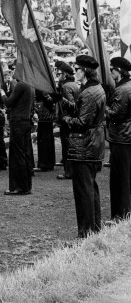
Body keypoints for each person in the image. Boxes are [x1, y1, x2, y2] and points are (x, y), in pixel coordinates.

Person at [62, 55, 106, 238]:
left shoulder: (88, 93)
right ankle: (94, 229)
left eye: (77, 69)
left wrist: (66, 119)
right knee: (90, 188)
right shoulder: (95, 89)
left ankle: (86, 232)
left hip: (85, 145)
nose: (75, 72)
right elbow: (85, 112)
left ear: (85, 71)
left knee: (83, 191)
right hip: (92, 144)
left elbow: (82, 122)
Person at [106, 57, 131, 222]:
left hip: (121, 136)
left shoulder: (122, 90)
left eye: (112, 70)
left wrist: (104, 108)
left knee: (119, 179)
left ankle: (120, 216)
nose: (111, 73)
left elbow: (116, 114)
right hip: (127, 135)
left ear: (119, 71)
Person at [1, 73, 35, 195]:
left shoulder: (21, 85)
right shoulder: (30, 85)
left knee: (17, 155)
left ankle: (19, 187)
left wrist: (3, 94)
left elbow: (9, 102)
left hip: (18, 123)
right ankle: (26, 185)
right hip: (25, 121)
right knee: (24, 154)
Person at [55, 62, 78, 180]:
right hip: (73, 120)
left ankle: (68, 171)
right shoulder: (75, 84)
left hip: (67, 120)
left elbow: (72, 105)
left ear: (64, 75)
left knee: (66, 146)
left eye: (60, 74)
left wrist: (61, 98)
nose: (59, 76)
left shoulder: (66, 87)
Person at [34, 89, 56, 172]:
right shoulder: (48, 93)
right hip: (47, 120)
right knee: (48, 141)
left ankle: (44, 164)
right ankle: (49, 163)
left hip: (44, 120)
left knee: (44, 142)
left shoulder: (44, 94)